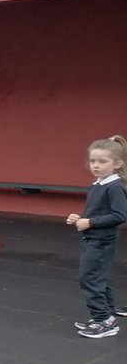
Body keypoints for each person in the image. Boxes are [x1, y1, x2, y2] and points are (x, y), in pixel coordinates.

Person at [67, 135, 127, 338]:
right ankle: (106, 317)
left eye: (103, 161)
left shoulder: (115, 186)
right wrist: (80, 218)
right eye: (93, 161)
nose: (96, 165)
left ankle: (103, 320)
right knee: (97, 277)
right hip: (92, 238)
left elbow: (120, 215)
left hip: (102, 241)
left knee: (89, 278)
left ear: (117, 164)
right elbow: (97, 211)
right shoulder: (97, 184)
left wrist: (90, 222)